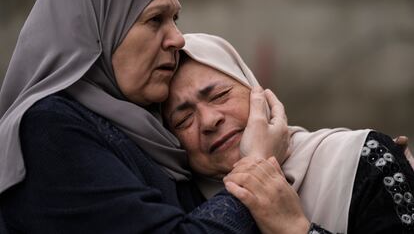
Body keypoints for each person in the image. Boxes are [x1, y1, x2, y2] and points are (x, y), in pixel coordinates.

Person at [0, 0, 291, 233]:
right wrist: (257, 165)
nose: (177, 38)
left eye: (175, 18)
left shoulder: (147, 135)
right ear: (100, 28)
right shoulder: (48, 130)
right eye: (155, 19)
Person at [163, 33, 414, 234]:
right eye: (183, 119)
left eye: (220, 95)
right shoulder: (176, 209)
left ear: (256, 93)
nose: (209, 120)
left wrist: (294, 228)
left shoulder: (359, 161)